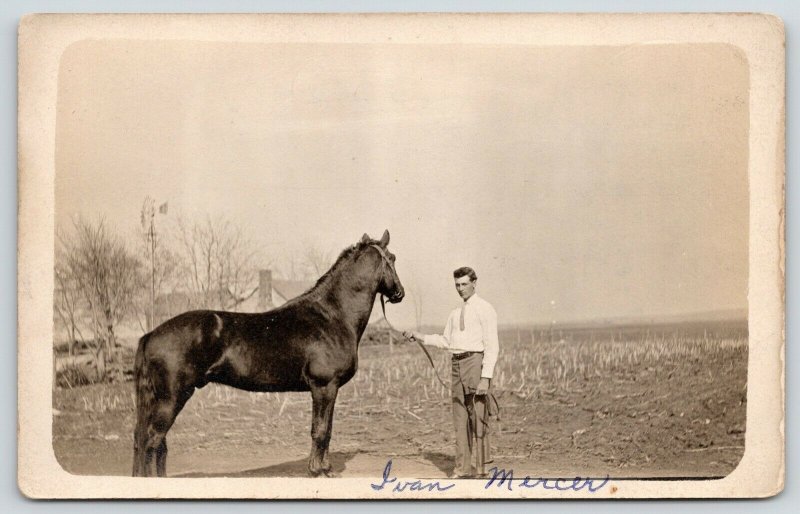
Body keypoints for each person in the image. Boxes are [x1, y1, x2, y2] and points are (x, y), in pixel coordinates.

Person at [403, 266, 499, 478]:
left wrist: (485, 378)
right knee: (460, 419)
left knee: (479, 417)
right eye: (457, 285)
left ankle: (483, 470)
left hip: (475, 364)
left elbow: (492, 346)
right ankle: (462, 469)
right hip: (456, 365)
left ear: (474, 283)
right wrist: (419, 336)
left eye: (464, 284)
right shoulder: (455, 314)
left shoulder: (485, 309)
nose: (460, 289)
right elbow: (446, 341)